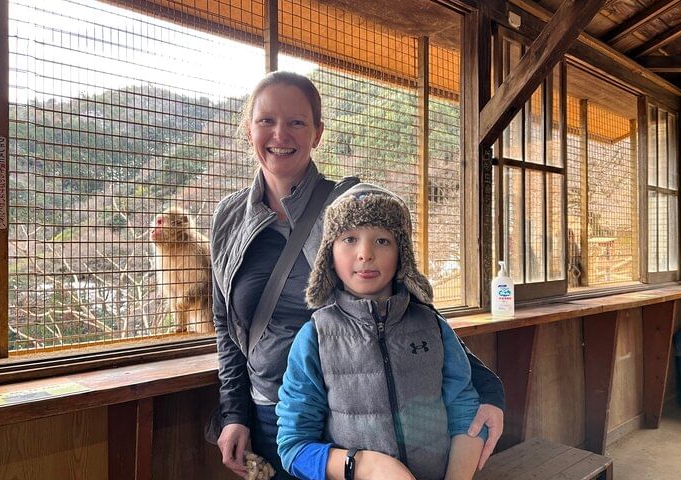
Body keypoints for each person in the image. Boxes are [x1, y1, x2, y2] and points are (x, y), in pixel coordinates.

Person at [209, 71, 504, 479]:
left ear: (317, 133)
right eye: (266, 121)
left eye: (297, 122)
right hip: (273, 418)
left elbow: (409, 307)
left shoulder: (352, 206)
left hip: (359, 416)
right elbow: (225, 323)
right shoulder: (228, 218)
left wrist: (486, 387)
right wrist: (234, 413)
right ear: (248, 129)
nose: (280, 134)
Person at [276, 183, 484, 480]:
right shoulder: (315, 338)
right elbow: (293, 448)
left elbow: (465, 411)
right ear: (329, 254)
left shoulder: (434, 326)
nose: (365, 253)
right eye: (349, 238)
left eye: (383, 240)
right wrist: (364, 465)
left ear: (402, 255)